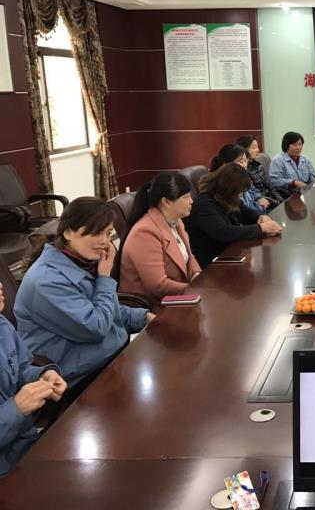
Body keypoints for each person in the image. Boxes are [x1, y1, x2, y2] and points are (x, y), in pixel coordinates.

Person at [14, 198, 155, 386]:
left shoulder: (81, 261)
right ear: (68, 232)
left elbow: (104, 308)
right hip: (80, 376)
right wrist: (104, 278)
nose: (104, 242)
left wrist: (143, 317)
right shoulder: (46, 281)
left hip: (110, 356)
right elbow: (96, 327)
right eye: (95, 233)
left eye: (108, 233)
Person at [0, 283, 67, 476]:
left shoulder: (2, 325)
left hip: (25, 445)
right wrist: (17, 408)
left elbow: (21, 366)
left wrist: (42, 376)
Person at [120, 173, 202, 306]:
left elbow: (189, 257)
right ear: (166, 202)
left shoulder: (177, 221)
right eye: (186, 197)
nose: (191, 201)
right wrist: (195, 289)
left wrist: (198, 276)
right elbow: (158, 286)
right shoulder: (145, 232)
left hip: (179, 298)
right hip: (153, 307)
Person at [185, 163, 283, 268]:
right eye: (239, 192)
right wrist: (261, 228)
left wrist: (262, 217)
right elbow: (224, 232)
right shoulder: (204, 203)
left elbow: (246, 213)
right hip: (212, 260)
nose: (240, 195)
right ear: (228, 188)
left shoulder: (226, 197)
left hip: (229, 250)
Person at [211, 144, 271, 215]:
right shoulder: (227, 185)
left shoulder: (243, 177)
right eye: (241, 162)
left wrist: (259, 198)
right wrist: (261, 207)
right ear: (226, 164)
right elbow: (246, 212)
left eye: (246, 161)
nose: (245, 165)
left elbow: (253, 190)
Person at [235, 135, 283, 206]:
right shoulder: (243, 169)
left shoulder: (258, 164)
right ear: (244, 149)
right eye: (253, 148)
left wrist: (279, 200)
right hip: (260, 203)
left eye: (257, 147)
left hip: (270, 199)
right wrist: (276, 202)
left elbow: (269, 185)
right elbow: (253, 193)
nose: (257, 150)